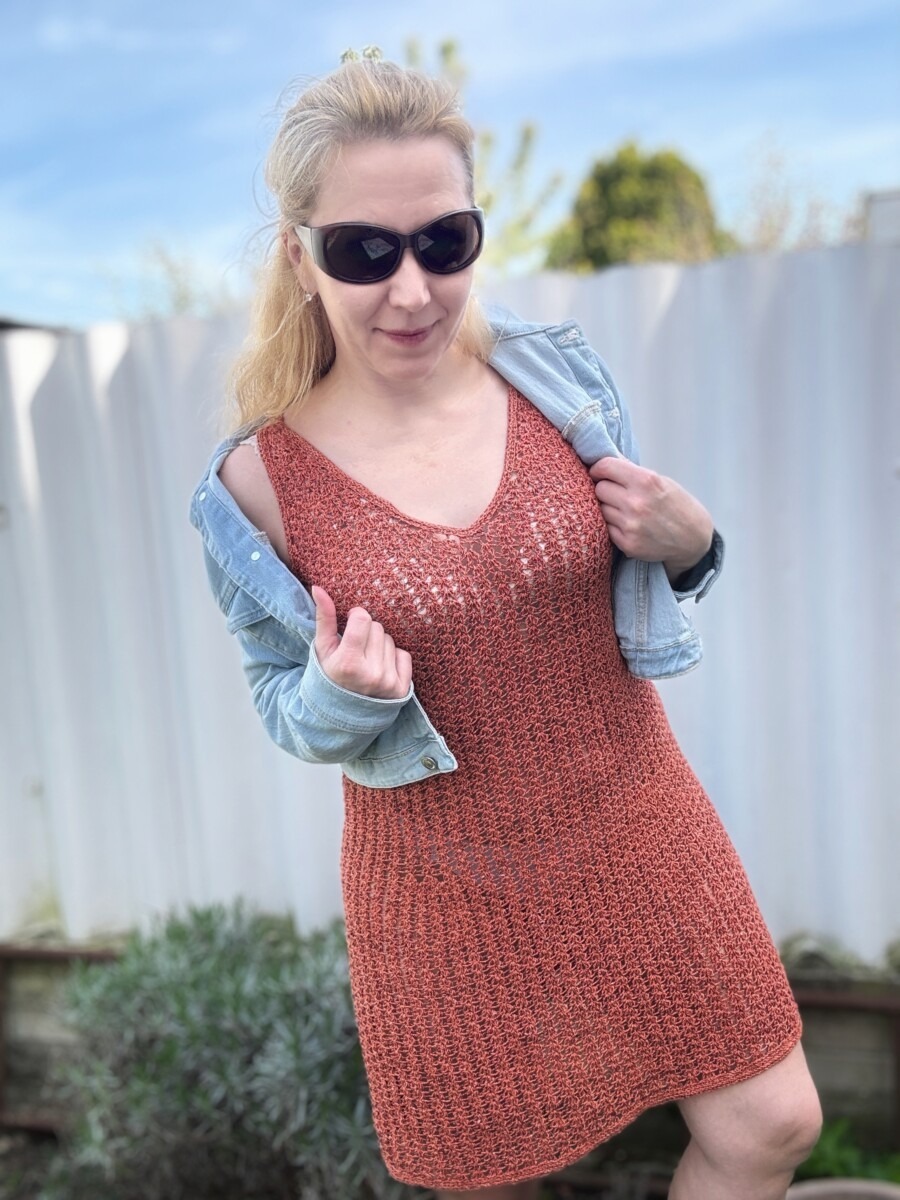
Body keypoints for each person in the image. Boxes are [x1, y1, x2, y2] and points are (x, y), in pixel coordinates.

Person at [189, 55, 822, 1200]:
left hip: (636, 822)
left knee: (771, 1123)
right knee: (489, 1180)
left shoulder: (552, 381)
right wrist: (339, 695)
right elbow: (281, 704)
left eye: (445, 241)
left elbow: (637, 574)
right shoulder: (257, 483)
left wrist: (693, 546)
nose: (413, 289)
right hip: (441, 886)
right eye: (364, 252)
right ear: (298, 255)